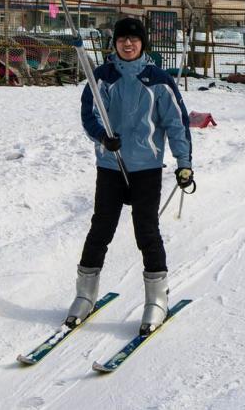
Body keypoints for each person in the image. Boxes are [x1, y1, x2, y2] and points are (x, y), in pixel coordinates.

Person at [68, 17, 194, 336]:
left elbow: (176, 124)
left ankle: (156, 300)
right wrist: (101, 136)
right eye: (122, 39)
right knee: (100, 229)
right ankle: (85, 294)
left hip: (147, 169)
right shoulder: (102, 78)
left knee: (146, 232)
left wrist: (184, 163)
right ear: (115, 44)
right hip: (111, 167)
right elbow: (90, 114)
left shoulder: (158, 80)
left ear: (143, 44)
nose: (128, 44)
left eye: (134, 40)